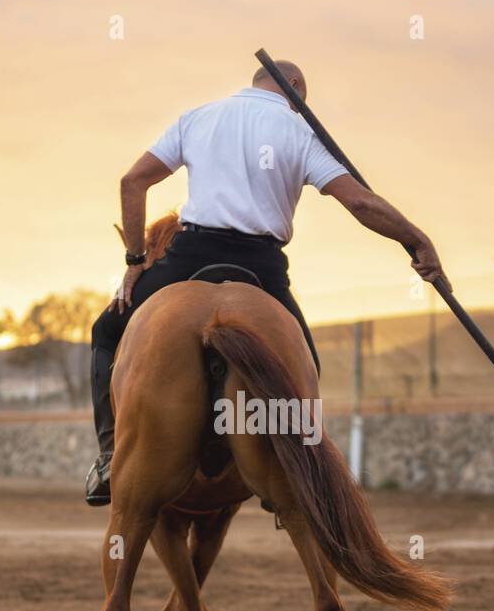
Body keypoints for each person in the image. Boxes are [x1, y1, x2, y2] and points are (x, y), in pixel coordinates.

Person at [86, 58, 450, 505]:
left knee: (105, 330)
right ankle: (294, 476)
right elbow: (360, 204)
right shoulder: (301, 134)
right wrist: (418, 240)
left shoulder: (198, 118)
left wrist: (135, 260)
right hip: (261, 267)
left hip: (190, 255)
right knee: (305, 364)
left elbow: (133, 180)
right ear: (294, 86)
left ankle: (108, 458)